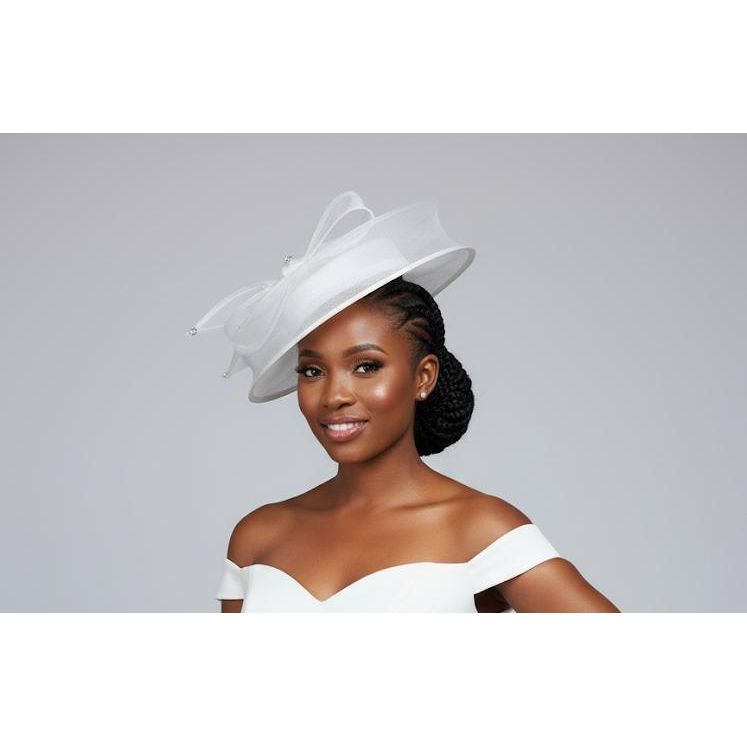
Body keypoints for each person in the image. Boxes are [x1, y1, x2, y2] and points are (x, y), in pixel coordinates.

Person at [188, 191, 619, 613]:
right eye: (313, 371)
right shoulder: (258, 537)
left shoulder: (478, 528)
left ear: (423, 377)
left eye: (366, 366)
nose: (334, 396)